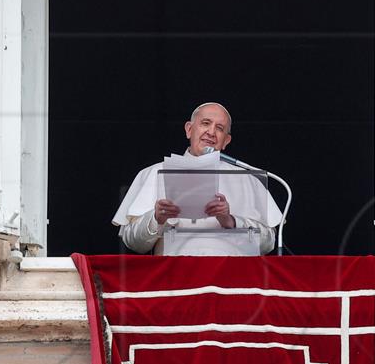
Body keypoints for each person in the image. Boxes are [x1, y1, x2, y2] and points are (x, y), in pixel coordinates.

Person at [112, 102, 282, 255]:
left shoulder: (247, 178)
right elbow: (132, 242)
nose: (211, 132)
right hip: (175, 280)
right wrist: (157, 219)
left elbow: (268, 243)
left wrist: (231, 221)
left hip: (232, 278)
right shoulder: (155, 172)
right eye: (205, 123)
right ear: (189, 129)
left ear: (226, 141)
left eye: (220, 128)